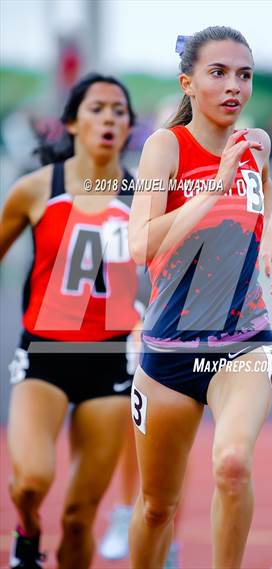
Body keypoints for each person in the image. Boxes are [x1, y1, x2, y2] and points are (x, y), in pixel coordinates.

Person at [128, 26, 272, 568]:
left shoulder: (257, 143)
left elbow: (263, 183)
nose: (233, 87)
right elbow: (139, 244)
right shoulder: (164, 148)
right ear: (188, 83)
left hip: (245, 341)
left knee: (231, 465)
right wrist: (214, 189)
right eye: (217, 73)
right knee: (156, 506)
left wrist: (269, 239)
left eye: (243, 75)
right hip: (168, 351)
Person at [0, 72, 139, 569]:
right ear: (72, 122)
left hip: (110, 363)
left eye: (119, 111)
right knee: (31, 482)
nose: (108, 118)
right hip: (43, 357)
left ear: (128, 127)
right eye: (97, 108)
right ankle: (28, 533)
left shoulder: (144, 198)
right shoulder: (36, 190)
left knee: (81, 517)